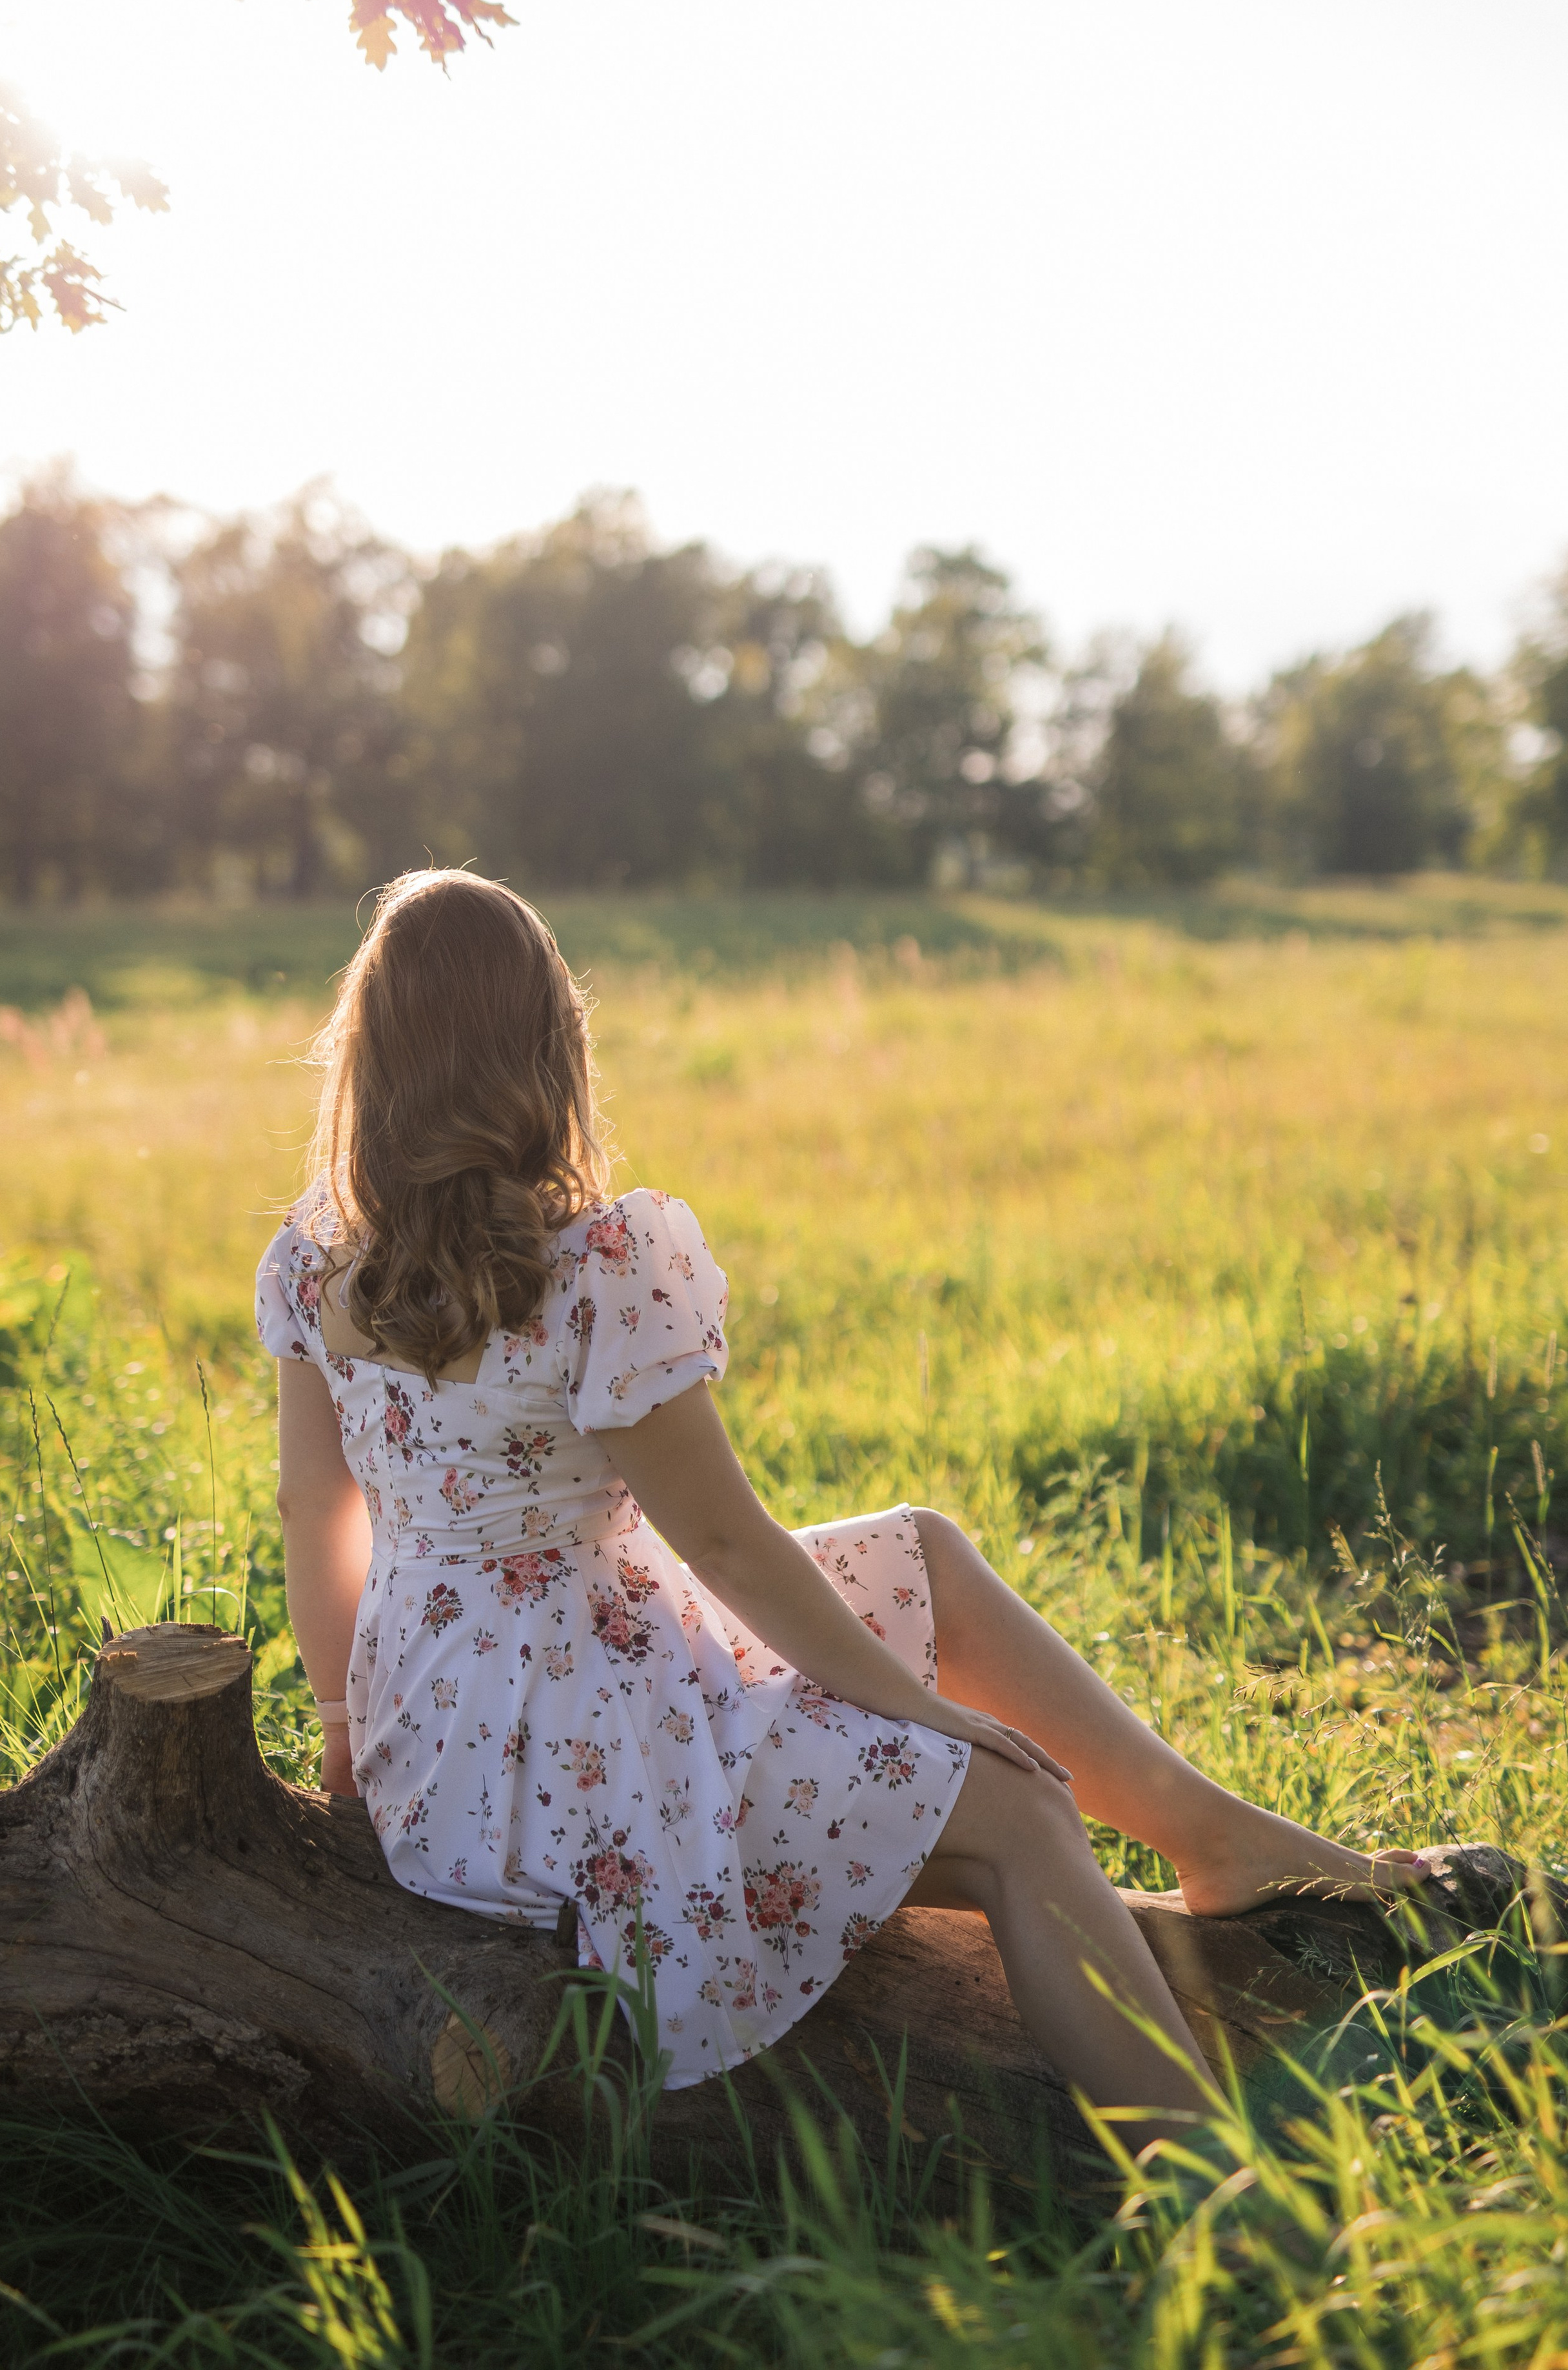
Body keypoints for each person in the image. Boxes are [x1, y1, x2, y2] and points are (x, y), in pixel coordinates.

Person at [259, 868, 1422, 2135]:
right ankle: (1215, 2190)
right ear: (548, 1044)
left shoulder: (317, 1265)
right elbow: (723, 1544)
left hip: (442, 1739)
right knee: (1023, 1811)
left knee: (918, 1549)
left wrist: (341, 1726)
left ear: (369, 1059)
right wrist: (923, 1713)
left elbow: (313, 1511)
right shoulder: (594, 1267)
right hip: (593, 1760)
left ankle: (1211, 1839)